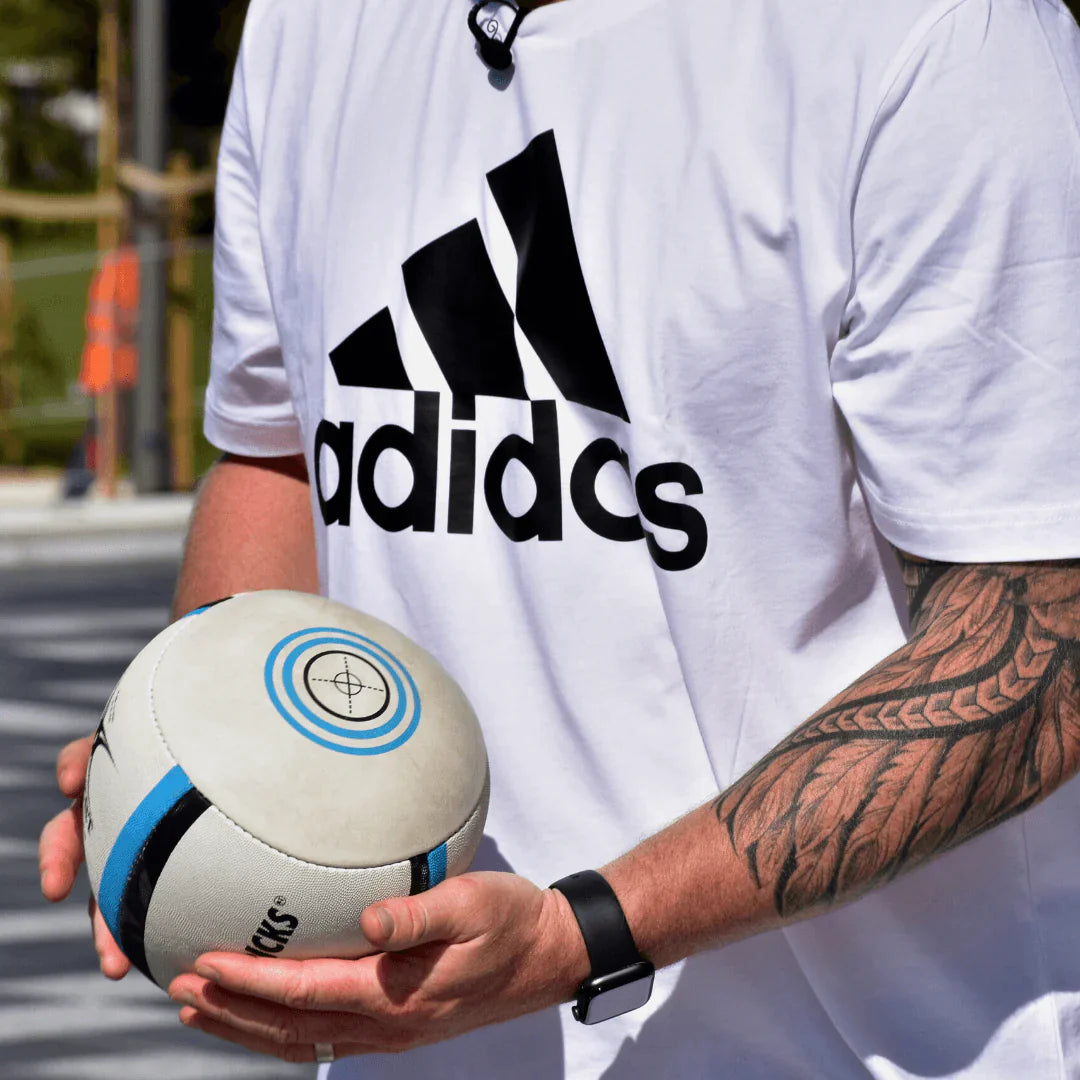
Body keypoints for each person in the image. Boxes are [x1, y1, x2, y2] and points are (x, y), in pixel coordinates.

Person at [39, 0, 1080, 1076]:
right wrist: (196, 736)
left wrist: (584, 933)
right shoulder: (312, 20)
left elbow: (1047, 645)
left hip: (863, 1050)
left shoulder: (939, 34)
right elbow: (279, 454)